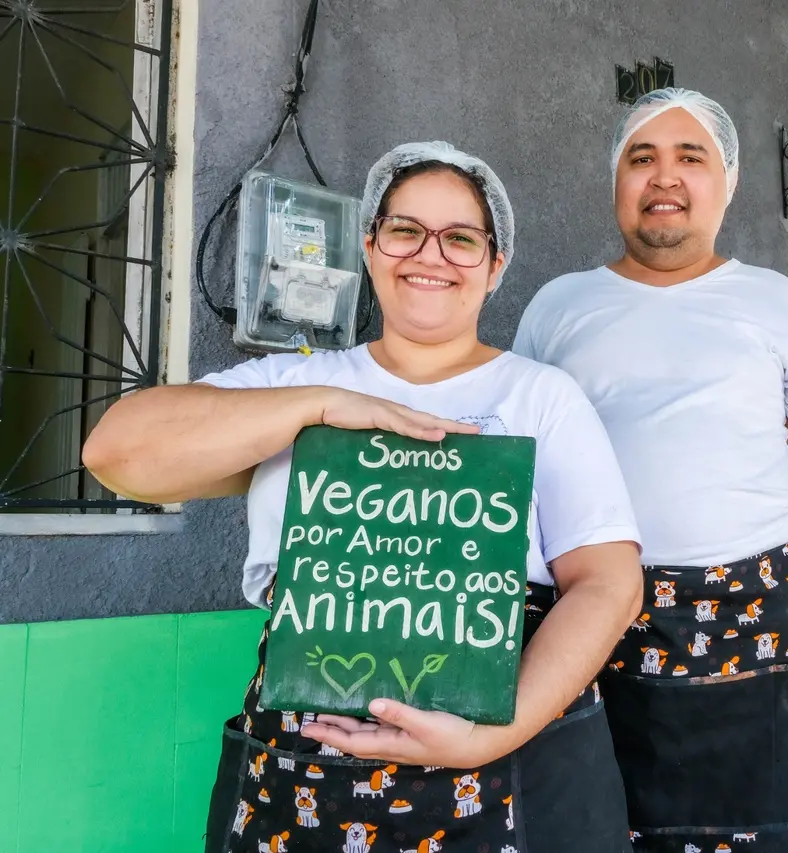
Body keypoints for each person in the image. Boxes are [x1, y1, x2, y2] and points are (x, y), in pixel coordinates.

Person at [83, 142, 643, 853]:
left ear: (495, 265)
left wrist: (487, 737)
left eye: (461, 238)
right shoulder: (291, 383)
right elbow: (115, 453)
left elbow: (608, 584)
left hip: (509, 751)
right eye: (406, 230)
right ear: (371, 247)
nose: (430, 255)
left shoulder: (540, 396)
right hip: (309, 766)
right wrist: (320, 406)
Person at [513, 89, 788, 851]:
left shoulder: (775, 303)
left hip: (754, 623)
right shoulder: (556, 308)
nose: (664, 176)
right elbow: (517, 478)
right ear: (616, 181)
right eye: (642, 158)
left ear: (726, 182)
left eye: (689, 157)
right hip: (590, 625)